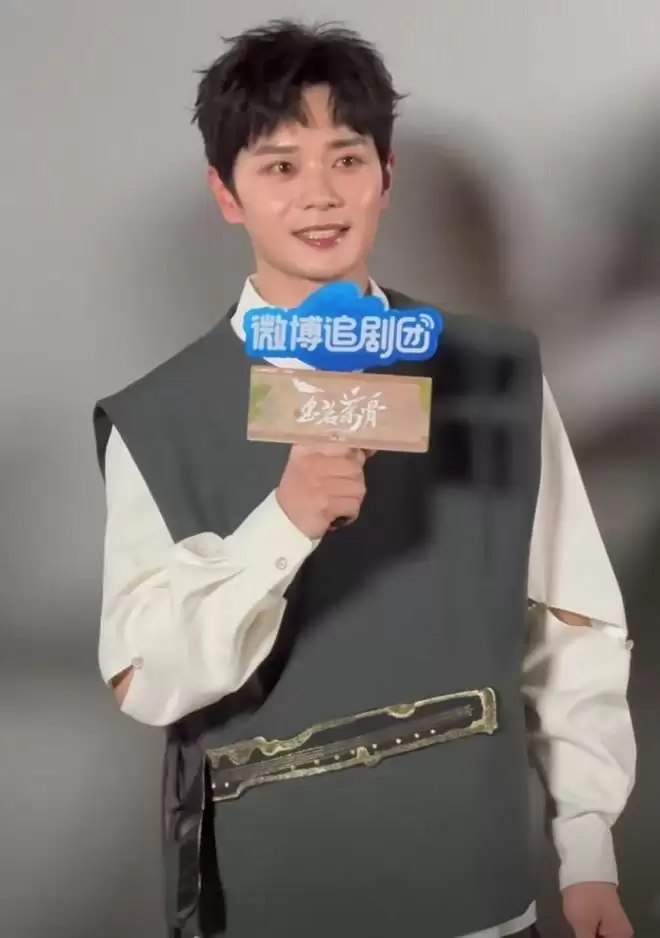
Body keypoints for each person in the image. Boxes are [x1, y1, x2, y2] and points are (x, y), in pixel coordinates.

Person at [93, 19, 636, 938]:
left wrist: (587, 852)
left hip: (477, 885)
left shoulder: (498, 373)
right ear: (227, 193)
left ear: (386, 175)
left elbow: (572, 621)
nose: (320, 194)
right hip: (281, 889)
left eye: (346, 159)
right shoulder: (158, 419)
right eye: (280, 166)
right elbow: (144, 677)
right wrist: (284, 523)